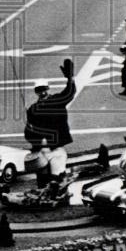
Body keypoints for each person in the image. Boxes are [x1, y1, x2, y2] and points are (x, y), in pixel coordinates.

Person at [24, 60, 76, 192]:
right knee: (43, 182)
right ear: (36, 92)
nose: (42, 93)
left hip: (55, 150)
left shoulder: (55, 101)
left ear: (48, 89)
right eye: (39, 90)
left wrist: (70, 79)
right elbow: (28, 132)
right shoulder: (32, 109)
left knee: (57, 180)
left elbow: (69, 93)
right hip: (42, 151)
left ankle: (61, 202)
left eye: (43, 89)